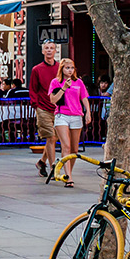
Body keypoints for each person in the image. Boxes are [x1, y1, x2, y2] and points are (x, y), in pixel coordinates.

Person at [47, 59, 90, 187]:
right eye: (67, 68)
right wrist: (63, 88)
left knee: (74, 149)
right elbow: (53, 99)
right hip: (62, 115)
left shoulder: (79, 82)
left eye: (72, 68)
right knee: (65, 146)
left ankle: (68, 171)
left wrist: (88, 112)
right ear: (62, 69)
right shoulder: (56, 82)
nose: (70, 70)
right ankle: (68, 177)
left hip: (76, 115)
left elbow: (84, 98)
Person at [28, 41, 63, 177]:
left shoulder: (60, 68)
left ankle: (42, 161)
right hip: (43, 107)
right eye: (46, 48)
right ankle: (53, 167)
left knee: (54, 139)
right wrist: (36, 104)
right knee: (50, 136)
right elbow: (33, 88)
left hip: (59, 107)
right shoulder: (37, 69)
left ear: (55, 51)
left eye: (51, 48)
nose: (49, 51)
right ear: (43, 51)